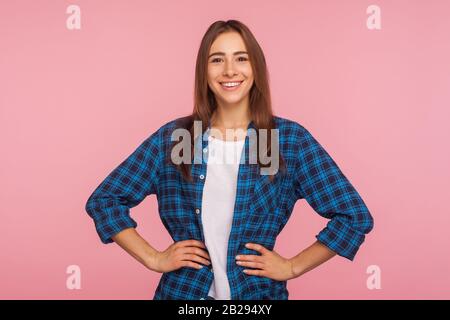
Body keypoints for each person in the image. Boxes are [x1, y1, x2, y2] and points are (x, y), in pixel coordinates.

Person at [85, 19, 374, 300]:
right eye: (217, 60)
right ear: (204, 71)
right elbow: (105, 200)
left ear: (255, 68)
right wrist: (153, 258)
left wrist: (292, 266)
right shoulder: (178, 138)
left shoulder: (285, 140)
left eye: (241, 58)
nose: (230, 70)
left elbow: (353, 217)